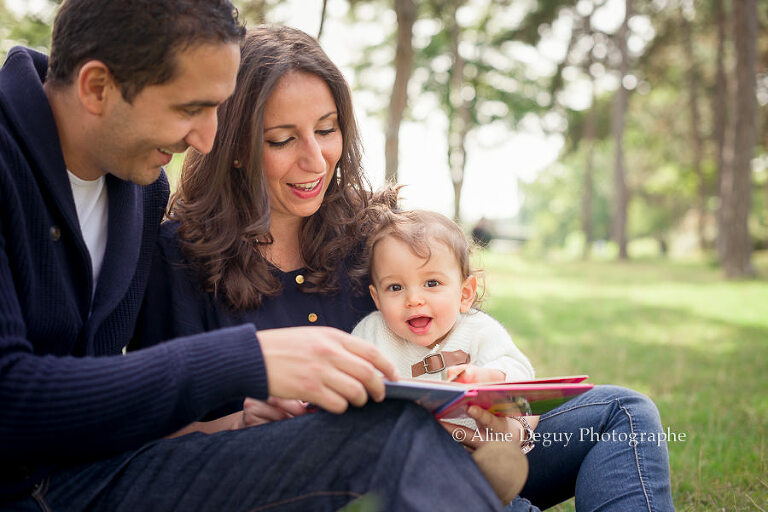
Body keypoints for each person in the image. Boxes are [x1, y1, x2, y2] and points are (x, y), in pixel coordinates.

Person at [134, 25, 675, 512]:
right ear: (234, 147)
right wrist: (239, 422)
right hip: (321, 485)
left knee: (624, 414)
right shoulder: (180, 256)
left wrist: (495, 398)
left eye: (327, 130)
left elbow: (454, 327)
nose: (315, 160)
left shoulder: (369, 233)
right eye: (282, 140)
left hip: (462, 450)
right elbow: (148, 438)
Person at [0, 2, 507, 510]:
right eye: (188, 109)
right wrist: (250, 361)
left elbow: (110, 401)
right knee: (386, 441)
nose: (206, 138)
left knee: (584, 418)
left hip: (100, 470)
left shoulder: (137, 189)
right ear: (96, 88)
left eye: (215, 111)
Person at [351, 207, 534, 384]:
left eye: (432, 283)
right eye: (395, 287)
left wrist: (487, 376)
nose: (414, 300)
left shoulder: (479, 330)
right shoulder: (373, 332)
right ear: (377, 298)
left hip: (470, 415)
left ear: (465, 294)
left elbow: (521, 371)